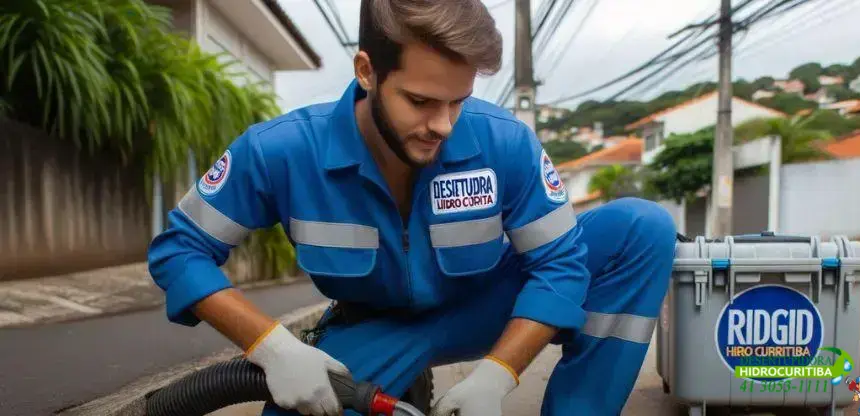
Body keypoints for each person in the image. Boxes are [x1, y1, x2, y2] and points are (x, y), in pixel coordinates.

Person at [147, 0, 677, 415]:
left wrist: (499, 374)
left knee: (641, 227)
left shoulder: (505, 145)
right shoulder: (280, 153)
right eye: (421, 101)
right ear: (367, 71)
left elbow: (559, 264)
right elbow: (179, 251)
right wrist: (271, 347)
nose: (444, 125)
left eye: (459, 101)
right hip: (378, 328)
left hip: (492, 309)